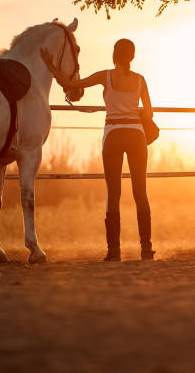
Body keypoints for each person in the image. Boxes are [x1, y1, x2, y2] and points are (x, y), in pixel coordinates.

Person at [40, 38, 155, 261]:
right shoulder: (141, 80)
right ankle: (146, 249)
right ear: (132, 56)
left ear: (115, 54)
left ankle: (113, 252)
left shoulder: (106, 76)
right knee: (140, 192)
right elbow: (148, 113)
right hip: (136, 136)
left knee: (113, 193)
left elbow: (72, 85)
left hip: (113, 135)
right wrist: (133, 114)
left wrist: (51, 65)